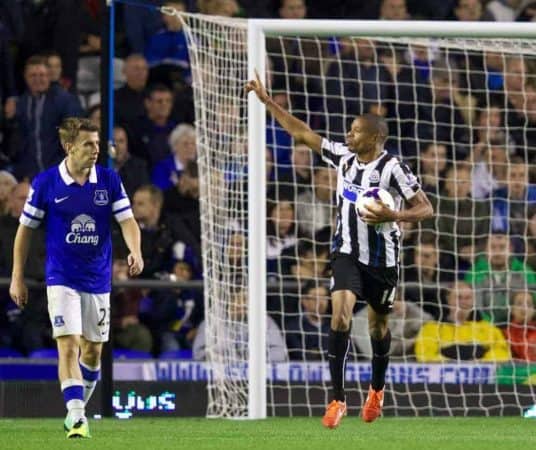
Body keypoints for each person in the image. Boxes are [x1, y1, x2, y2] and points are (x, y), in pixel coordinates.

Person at [246, 71, 433, 427]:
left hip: (383, 257)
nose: (349, 135)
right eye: (349, 130)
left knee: (379, 327)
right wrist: (269, 102)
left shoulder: (393, 167)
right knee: (340, 314)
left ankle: (376, 389)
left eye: (356, 131)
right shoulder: (343, 157)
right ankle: (337, 400)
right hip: (346, 250)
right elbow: (302, 133)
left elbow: (426, 207)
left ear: (375, 136)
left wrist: (395, 214)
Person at [9, 118, 144, 438]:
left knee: (93, 351)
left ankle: (75, 410)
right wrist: (17, 277)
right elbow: (24, 232)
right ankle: (78, 416)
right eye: (88, 144)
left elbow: (128, 221)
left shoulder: (109, 180)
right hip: (61, 277)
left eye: (97, 144)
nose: (96, 150)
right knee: (67, 344)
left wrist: (135, 251)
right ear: (69, 147)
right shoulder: (46, 184)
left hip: (98, 278)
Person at [414, 282, 510, 362]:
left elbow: (502, 351)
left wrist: (483, 362)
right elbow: (424, 353)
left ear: (473, 301)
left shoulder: (488, 328)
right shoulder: (431, 328)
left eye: (468, 298)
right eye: (459, 297)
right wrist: (451, 365)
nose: (463, 301)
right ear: (448, 300)